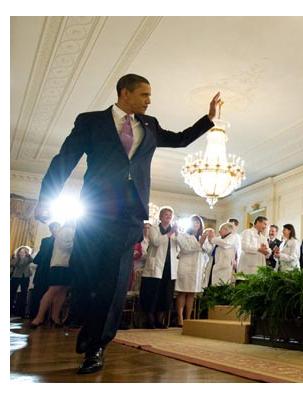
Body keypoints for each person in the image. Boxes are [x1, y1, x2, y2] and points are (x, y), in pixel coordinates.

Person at [33, 73, 220, 374]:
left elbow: (181, 138)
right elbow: (64, 159)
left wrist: (208, 119)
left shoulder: (150, 125)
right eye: (144, 94)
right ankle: (87, 329)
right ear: (125, 93)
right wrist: (46, 198)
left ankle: (96, 346)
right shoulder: (90, 121)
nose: (149, 100)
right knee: (88, 278)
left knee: (115, 283)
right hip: (95, 212)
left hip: (128, 215)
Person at [30, 220, 76, 327]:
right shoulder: (66, 230)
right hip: (60, 264)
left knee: (62, 291)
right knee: (53, 290)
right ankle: (39, 317)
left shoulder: (71, 230)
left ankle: (55, 317)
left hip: (66, 265)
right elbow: (66, 246)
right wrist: (79, 245)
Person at [141, 207, 178, 329]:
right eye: (166, 214)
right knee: (152, 293)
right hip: (155, 267)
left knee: (164, 294)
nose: (168, 217)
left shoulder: (175, 232)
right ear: (161, 217)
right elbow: (156, 242)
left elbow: (179, 245)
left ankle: (159, 320)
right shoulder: (154, 229)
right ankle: (149, 319)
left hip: (168, 267)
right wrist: (169, 234)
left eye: (170, 215)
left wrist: (175, 235)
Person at [175, 215, 209, 327]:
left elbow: (208, 250)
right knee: (182, 292)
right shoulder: (183, 235)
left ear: (200, 225)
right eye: (193, 222)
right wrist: (200, 244)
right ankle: (180, 319)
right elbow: (186, 249)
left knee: (191, 293)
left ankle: (188, 319)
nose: (196, 224)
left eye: (198, 222)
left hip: (197, 268)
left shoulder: (202, 237)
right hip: (185, 266)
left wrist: (203, 242)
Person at [30, 222, 60, 318]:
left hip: (53, 270)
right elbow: (42, 255)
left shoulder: (61, 241)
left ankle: (44, 316)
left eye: (56, 227)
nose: (54, 229)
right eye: (53, 228)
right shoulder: (45, 240)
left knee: (48, 293)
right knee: (38, 292)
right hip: (43, 269)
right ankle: (34, 314)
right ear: (50, 229)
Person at [10, 245, 34, 318]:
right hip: (16, 276)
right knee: (11, 293)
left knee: (24, 294)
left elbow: (31, 260)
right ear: (18, 252)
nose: (22, 252)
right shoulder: (15, 258)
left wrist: (27, 256)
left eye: (24, 251)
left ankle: (21, 312)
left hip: (25, 277)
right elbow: (16, 264)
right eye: (21, 251)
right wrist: (19, 258)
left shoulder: (28, 258)